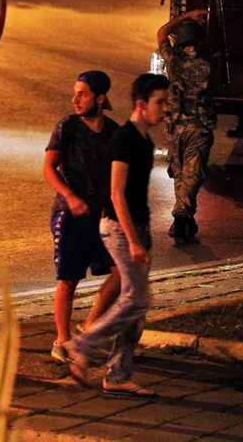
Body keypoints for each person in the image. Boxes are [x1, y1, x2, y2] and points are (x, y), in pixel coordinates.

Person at [62, 73, 169, 397]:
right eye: (160, 102)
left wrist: (144, 235)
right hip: (119, 229)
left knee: (136, 308)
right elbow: (117, 193)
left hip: (137, 228)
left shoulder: (145, 140)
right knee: (136, 298)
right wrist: (134, 240)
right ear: (141, 104)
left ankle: (119, 375)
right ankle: (79, 344)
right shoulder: (124, 140)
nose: (165, 109)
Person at [43, 71, 122, 363]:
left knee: (120, 273)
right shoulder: (67, 127)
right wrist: (72, 198)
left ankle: (88, 330)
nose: (75, 99)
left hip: (100, 217)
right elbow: (49, 168)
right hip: (69, 214)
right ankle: (62, 341)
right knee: (69, 278)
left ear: (100, 98)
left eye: (83, 93)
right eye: (75, 92)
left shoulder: (114, 132)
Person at [156, 9, 216, 245]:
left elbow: (161, 31)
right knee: (193, 174)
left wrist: (185, 15)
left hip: (175, 128)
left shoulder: (173, 60)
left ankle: (182, 219)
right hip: (198, 128)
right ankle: (182, 216)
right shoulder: (210, 63)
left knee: (180, 173)